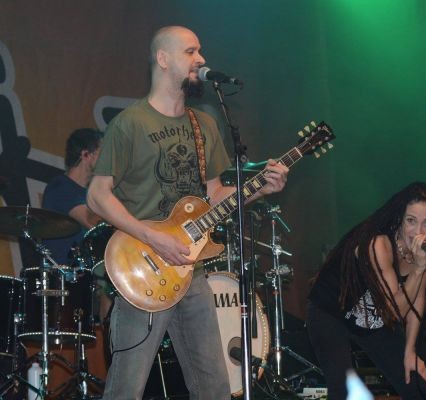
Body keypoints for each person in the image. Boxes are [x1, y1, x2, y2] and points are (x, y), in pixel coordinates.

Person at [87, 25, 288, 399]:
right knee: (126, 389)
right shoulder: (130, 123)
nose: (201, 59)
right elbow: (98, 196)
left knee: (214, 387)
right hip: (142, 270)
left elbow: (214, 196)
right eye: (191, 51)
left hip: (191, 273)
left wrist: (260, 188)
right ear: (163, 59)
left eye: (200, 51)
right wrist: (153, 237)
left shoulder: (204, 124)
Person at [306, 182, 426, 400]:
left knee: (415, 384)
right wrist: (418, 269)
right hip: (330, 312)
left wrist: (410, 351)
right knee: (343, 390)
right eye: (411, 221)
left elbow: (417, 301)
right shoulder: (378, 244)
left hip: (372, 321)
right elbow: (394, 311)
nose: (418, 232)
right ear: (400, 218)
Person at [42, 128, 103, 265]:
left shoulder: (90, 193)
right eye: (103, 153)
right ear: (86, 154)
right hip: (65, 273)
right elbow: (93, 222)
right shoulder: (61, 186)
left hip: (87, 270)